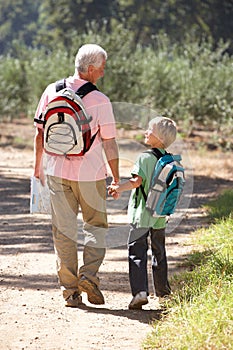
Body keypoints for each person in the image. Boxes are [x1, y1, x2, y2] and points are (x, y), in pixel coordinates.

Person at [33, 44, 119, 307]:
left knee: (63, 232)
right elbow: (109, 143)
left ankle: (70, 292)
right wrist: (116, 178)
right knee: (96, 226)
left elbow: (39, 133)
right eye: (101, 69)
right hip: (90, 174)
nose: (103, 74)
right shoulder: (101, 101)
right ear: (91, 69)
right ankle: (89, 276)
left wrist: (38, 167)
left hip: (57, 172)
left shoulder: (51, 90)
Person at [108, 116, 177, 309]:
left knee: (137, 253)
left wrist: (116, 189)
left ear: (160, 137)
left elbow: (135, 182)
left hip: (141, 216)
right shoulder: (170, 160)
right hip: (160, 217)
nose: (146, 132)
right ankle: (163, 294)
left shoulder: (144, 158)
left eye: (150, 130)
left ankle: (140, 293)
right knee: (159, 253)